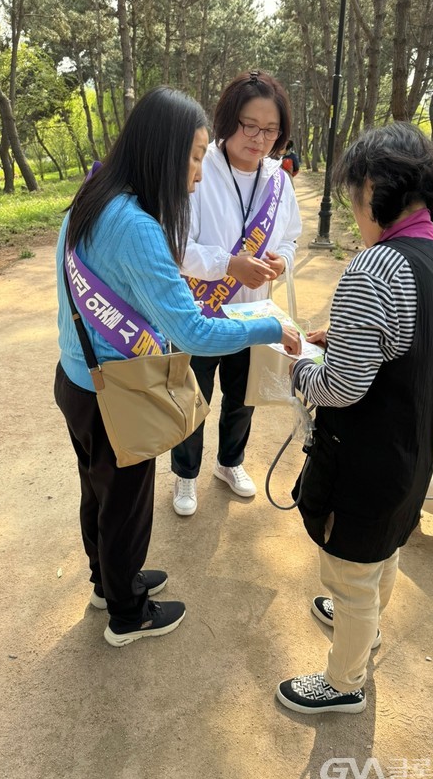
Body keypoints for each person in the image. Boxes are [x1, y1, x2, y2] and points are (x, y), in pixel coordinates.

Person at [53, 86, 301, 648]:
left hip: (77, 377)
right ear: (161, 152)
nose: (198, 170)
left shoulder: (95, 194)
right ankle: (127, 614)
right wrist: (271, 325)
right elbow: (194, 331)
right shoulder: (138, 226)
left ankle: (107, 582)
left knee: (98, 493)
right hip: (120, 391)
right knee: (126, 507)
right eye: (193, 156)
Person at [276, 123, 433, 713]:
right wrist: (343, 332)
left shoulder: (374, 267)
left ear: (373, 188)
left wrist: (294, 369)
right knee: (385, 548)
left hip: (364, 461)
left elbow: (340, 386)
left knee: (351, 570)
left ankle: (343, 683)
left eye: (353, 195)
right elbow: (411, 339)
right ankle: (367, 621)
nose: (354, 209)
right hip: (413, 451)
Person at [171, 70, 302, 516]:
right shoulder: (197, 167)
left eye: (271, 130)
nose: (259, 138)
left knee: (242, 398)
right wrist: (230, 264)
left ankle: (230, 463)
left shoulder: (279, 181)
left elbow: (291, 237)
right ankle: (185, 475)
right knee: (194, 397)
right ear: (229, 118)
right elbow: (178, 248)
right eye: (250, 125)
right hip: (201, 313)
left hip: (253, 312)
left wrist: (282, 260)